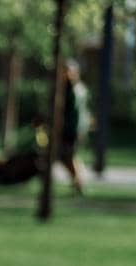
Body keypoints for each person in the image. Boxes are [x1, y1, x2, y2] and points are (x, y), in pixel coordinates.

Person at [59, 59, 91, 195]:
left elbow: (66, 110)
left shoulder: (70, 90)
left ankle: (79, 182)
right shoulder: (81, 88)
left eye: (68, 71)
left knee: (68, 156)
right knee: (69, 156)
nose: (65, 74)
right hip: (78, 128)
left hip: (72, 128)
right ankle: (78, 180)